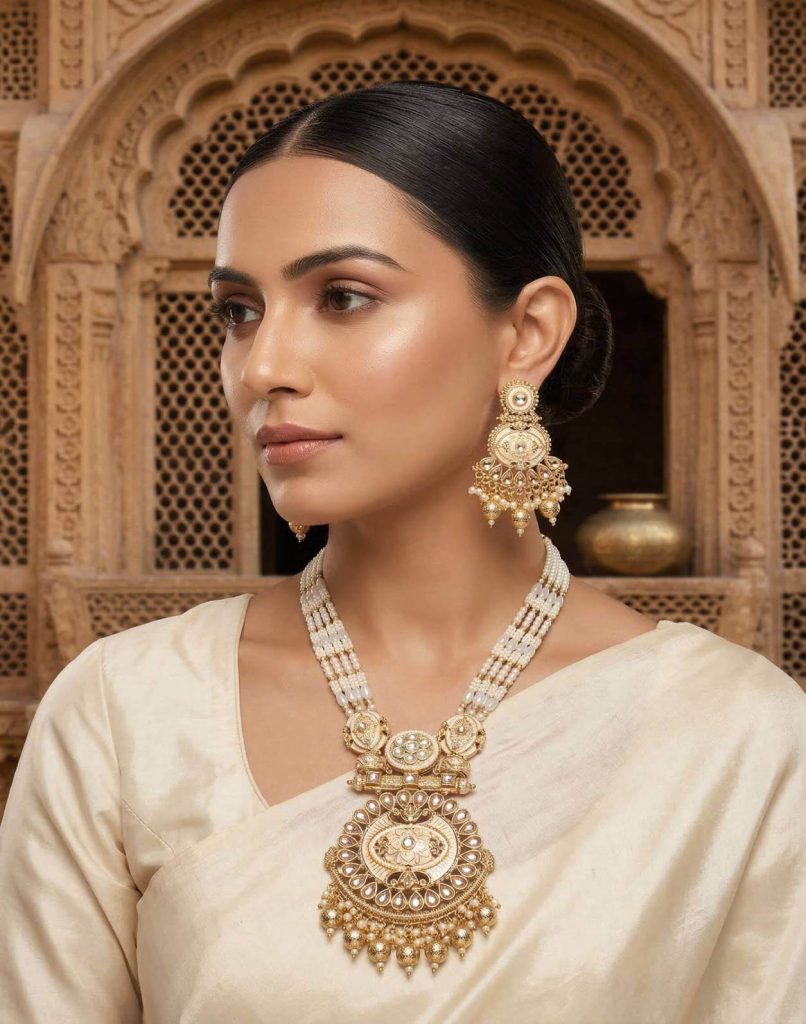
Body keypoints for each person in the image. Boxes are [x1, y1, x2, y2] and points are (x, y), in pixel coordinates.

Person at [1, 80, 804, 1023]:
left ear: (528, 332)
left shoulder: (737, 735)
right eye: (237, 311)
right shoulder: (125, 713)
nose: (261, 368)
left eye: (343, 297)